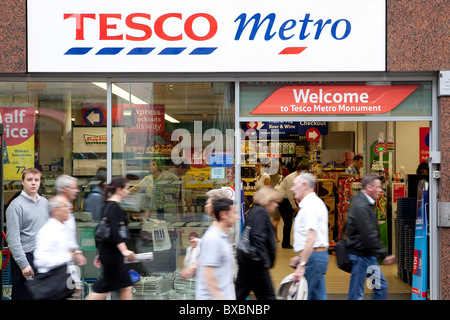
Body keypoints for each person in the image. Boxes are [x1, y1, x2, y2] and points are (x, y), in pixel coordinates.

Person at [345, 174, 396, 300]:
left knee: (380, 287)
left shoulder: (363, 202)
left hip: (367, 256)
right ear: (369, 187)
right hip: (360, 256)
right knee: (356, 293)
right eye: (378, 187)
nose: (381, 190)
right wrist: (383, 255)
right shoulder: (361, 206)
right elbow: (368, 234)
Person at [86, 177, 137, 300]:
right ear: (119, 190)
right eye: (127, 188)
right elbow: (114, 231)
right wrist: (124, 250)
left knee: (126, 285)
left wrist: (100, 252)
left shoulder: (108, 206)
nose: (128, 191)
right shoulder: (114, 207)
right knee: (105, 288)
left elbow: (102, 231)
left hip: (110, 253)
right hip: (114, 255)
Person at [6, 168, 49, 300]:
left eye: (36, 180)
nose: (33, 183)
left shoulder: (44, 203)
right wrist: (24, 264)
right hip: (26, 260)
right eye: (29, 180)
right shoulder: (15, 206)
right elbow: (13, 239)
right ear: (23, 182)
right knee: (24, 296)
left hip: (42, 259)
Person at [235, 186, 282, 300]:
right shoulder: (260, 212)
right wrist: (265, 259)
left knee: (239, 293)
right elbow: (256, 236)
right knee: (268, 296)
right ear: (268, 200)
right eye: (274, 202)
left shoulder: (255, 210)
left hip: (247, 261)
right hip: (256, 263)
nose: (276, 205)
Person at [289, 173, 329, 300]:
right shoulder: (315, 203)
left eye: (295, 185)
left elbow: (311, 237)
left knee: (301, 296)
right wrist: (300, 255)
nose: (292, 188)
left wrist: (302, 263)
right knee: (318, 296)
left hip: (313, 258)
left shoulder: (310, 205)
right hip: (316, 257)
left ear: (304, 185)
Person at [33, 195, 80, 298]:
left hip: (62, 284)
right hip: (52, 284)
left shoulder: (62, 229)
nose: (69, 208)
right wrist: (67, 257)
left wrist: (75, 279)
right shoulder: (48, 231)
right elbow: (40, 261)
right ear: (56, 211)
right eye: (65, 205)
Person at [179, 188, 229, 280]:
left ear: (215, 205)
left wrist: (193, 268)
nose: (206, 205)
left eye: (208, 203)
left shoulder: (222, 225)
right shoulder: (215, 222)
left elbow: (212, 250)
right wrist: (199, 242)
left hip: (217, 279)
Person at [195, 198, 237, 300]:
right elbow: (208, 273)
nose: (237, 216)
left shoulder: (223, 237)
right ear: (223, 214)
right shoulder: (213, 239)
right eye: (234, 213)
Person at [55, 174, 87, 267]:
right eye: (74, 188)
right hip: (59, 263)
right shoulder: (57, 209)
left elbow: (69, 235)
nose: (77, 191)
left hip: (67, 261)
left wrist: (77, 251)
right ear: (64, 189)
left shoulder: (67, 206)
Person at [277, 163, 308, 248]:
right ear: (299, 171)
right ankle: (285, 243)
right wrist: (295, 207)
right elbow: (290, 194)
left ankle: (291, 242)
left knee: (290, 221)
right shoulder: (291, 178)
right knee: (288, 222)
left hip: (288, 200)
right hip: (283, 200)